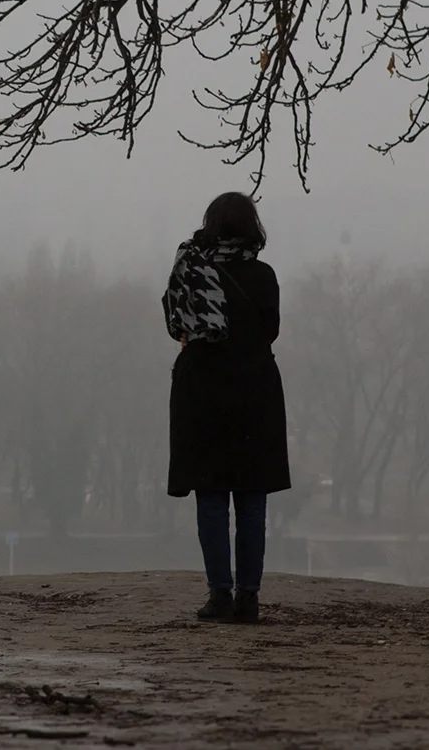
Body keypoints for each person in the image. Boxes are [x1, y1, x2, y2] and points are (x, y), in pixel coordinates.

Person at [162, 191, 290, 623]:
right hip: (256, 393)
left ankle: (218, 595)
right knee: (252, 501)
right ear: (253, 228)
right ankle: (248, 598)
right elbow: (269, 331)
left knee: (212, 497)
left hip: (204, 394)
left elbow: (175, 325)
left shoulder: (191, 272)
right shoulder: (264, 276)